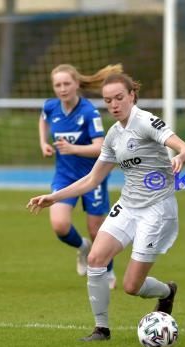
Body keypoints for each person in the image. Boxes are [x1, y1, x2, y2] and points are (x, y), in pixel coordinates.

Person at [28, 72, 185, 341]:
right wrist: (54, 197)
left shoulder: (145, 121)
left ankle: (167, 292)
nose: (114, 104)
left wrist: (182, 155)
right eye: (108, 101)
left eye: (119, 98)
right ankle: (101, 329)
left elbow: (181, 145)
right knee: (95, 258)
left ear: (132, 95)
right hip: (128, 205)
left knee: (132, 286)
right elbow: (93, 178)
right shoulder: (114, 134)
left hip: (157, 209)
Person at [39, 64, 119, 289]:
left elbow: (100, 147)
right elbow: (43, 119)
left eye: (66, 84)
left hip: (92, 177)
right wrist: (44, 142)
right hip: (64, 176)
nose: (62, 89)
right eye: (58, 85)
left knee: (97, 230)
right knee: (59, 225)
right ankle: (83, 248)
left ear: (76, 84)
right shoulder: (51, 107)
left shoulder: (88, 112)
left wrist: (74, 149)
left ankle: (108, 271)